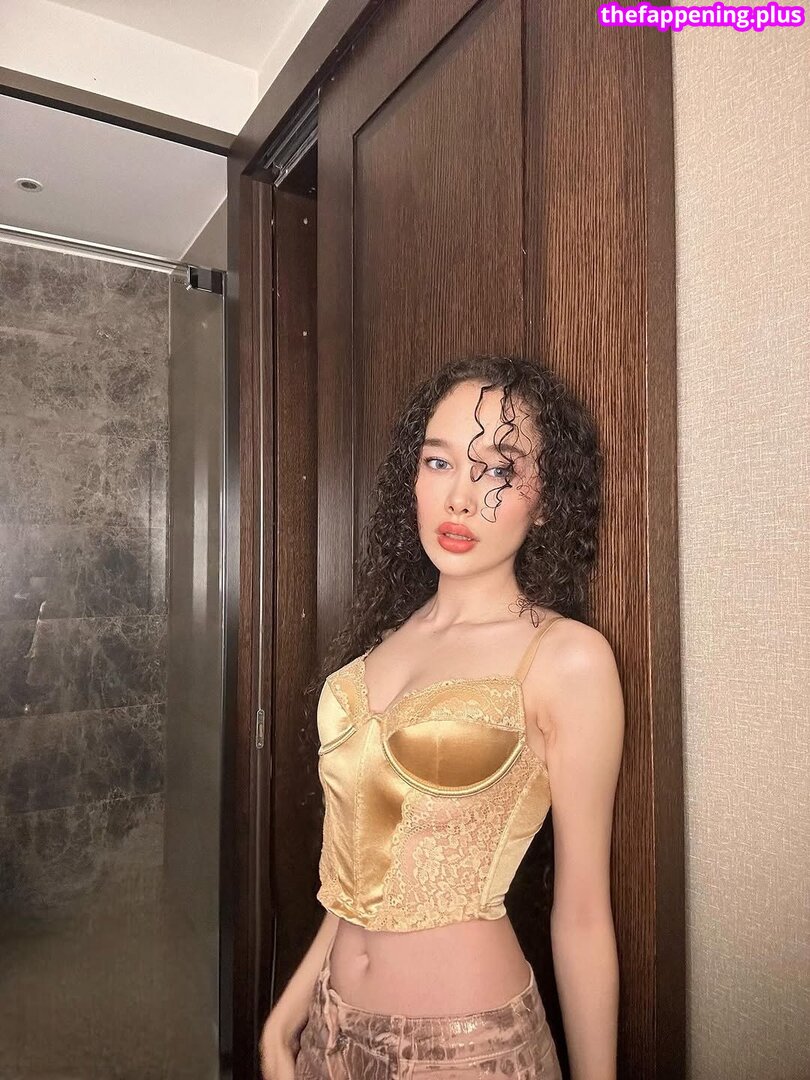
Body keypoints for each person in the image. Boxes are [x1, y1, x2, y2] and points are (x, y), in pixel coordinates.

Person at [259, 355, 625, 1079]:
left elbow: (583, 916)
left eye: (498, 470)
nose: (459, 497)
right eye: (438, 461)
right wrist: (286, 1017)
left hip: (466, 1049)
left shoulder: (565, 659)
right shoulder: (382, 645)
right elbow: (362, 877)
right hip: (328, 1031)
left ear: (547, 500)